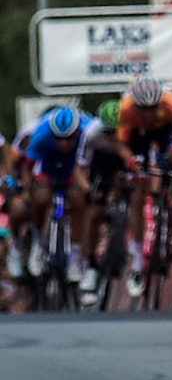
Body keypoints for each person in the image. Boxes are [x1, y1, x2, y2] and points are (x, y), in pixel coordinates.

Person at [116, 75, 172, 298]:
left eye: (153, 107)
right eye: (143, 108)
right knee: (138, 193)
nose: (148, 112)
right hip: (138, 136)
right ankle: (136, 260)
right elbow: (122, 145)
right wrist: (132, 162)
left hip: (167, 130)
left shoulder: (171, 103)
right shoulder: (126, 109)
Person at [22, 106, 90, 280]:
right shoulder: (41, 134)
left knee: (79, 200)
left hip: (75, 165)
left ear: (77, 133)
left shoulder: (88, 131)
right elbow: (27, 168)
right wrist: (28, 191)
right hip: (49, 163)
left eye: (69, 139)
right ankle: (38, 242)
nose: (64, 144)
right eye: (59, 139)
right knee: (41, 197)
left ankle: (74, 255)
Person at [76, 100, 127, 303]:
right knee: (94, 211)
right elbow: (80, 169)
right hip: (101, 162)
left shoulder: (132, 129)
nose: (110, 136)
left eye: (115, 131)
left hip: (123, 158)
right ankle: (90, 265)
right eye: (107, 131)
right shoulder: (91, 132)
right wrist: (89, 189)